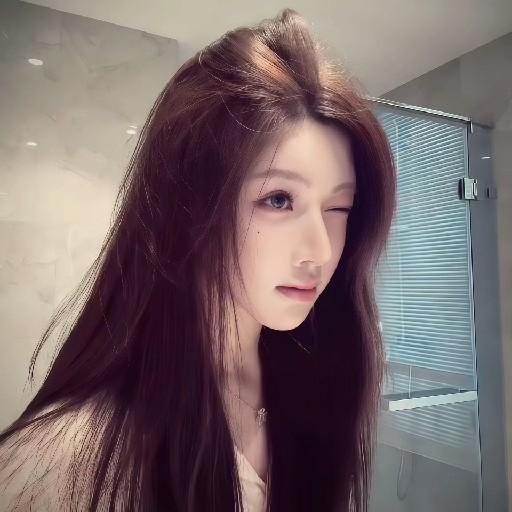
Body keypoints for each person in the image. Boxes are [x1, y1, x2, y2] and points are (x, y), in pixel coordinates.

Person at [0, 7, 396, 512]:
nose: (320, 250)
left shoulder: (315, 379)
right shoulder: (66, 462)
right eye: (278, 199)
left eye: (339, 207)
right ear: (189, 206)